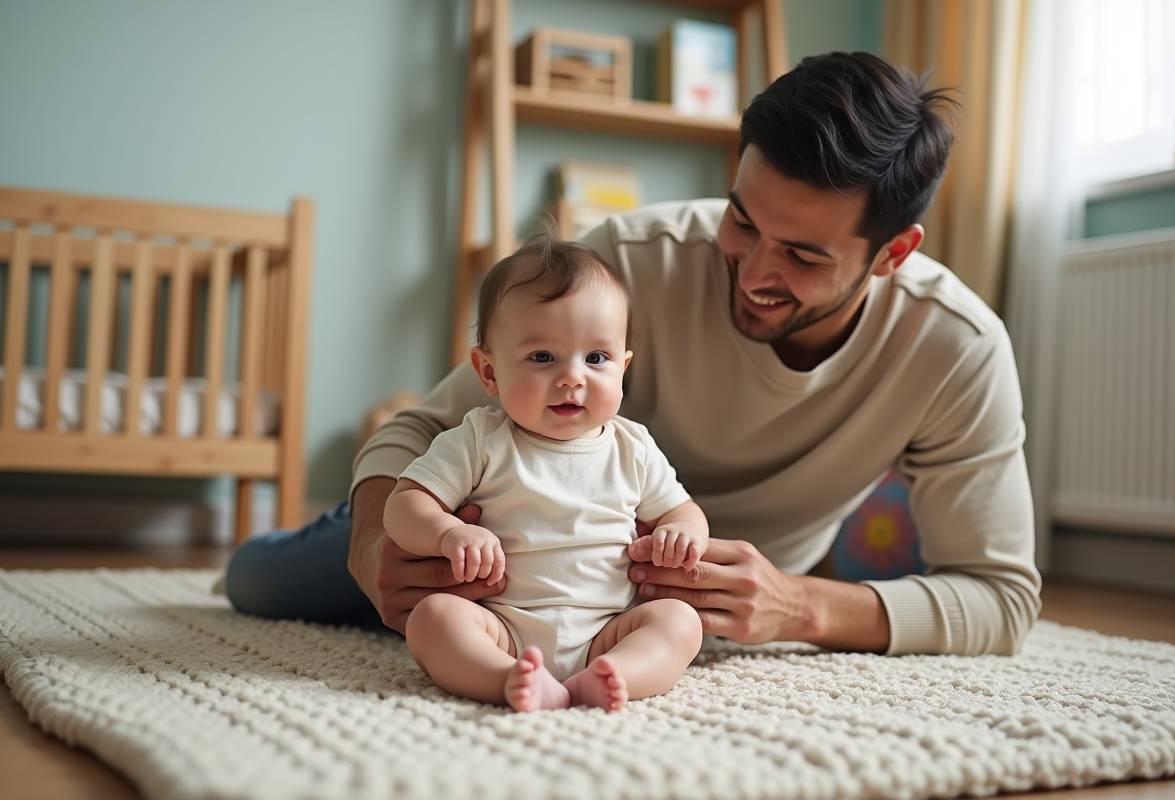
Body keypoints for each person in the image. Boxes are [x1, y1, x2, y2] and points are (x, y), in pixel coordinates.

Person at [224, 51, 1041, 657]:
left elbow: (1002, 598)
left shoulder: (956, 350)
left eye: (803, 256)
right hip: (503, 538)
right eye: (743, 221)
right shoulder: (628, 258)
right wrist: (375, 552)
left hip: (659, 612)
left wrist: (803, 607)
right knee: (259, 585)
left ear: (892, 253)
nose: (755, 272)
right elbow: (421, 429)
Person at [384, 231, 708, 711]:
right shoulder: (481, 439)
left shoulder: (632, 446)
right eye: (542, 357)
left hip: (609, 629)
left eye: (597, 358)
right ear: (489, 372)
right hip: (502, 627)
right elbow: (405, 504)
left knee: (681, 621)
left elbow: (684, 511)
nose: (572, 377)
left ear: (624, 366)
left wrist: (682, 534)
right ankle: (507, 679)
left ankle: (616, 673)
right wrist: (447, 533)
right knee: (432, 618)